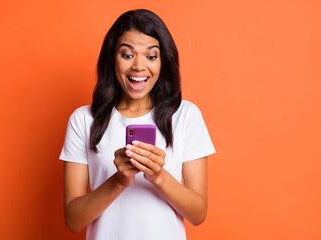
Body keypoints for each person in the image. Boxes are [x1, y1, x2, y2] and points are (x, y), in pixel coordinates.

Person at [59, 9, 216, 240]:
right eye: (127, 55)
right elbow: (73, 220)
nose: (139, 67)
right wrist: (119, 180)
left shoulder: (185, 116)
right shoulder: (84, 120)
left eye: (151, 56)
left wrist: (158, 176)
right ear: (112, 58)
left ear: (163, 61)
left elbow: (198, 213)